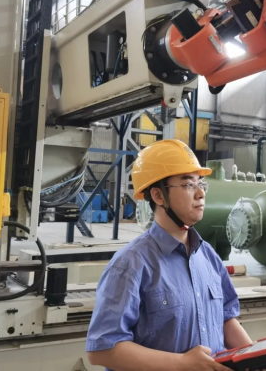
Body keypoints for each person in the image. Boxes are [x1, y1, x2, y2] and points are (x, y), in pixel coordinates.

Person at [86, 139, 255, 371]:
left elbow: (225, 318)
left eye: (201, 184)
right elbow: (102, 349)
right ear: (158, 195)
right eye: (188, 185)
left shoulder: (207, 256)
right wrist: (182, 363)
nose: (200, 194)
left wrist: (254, 357)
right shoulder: (131, 264)